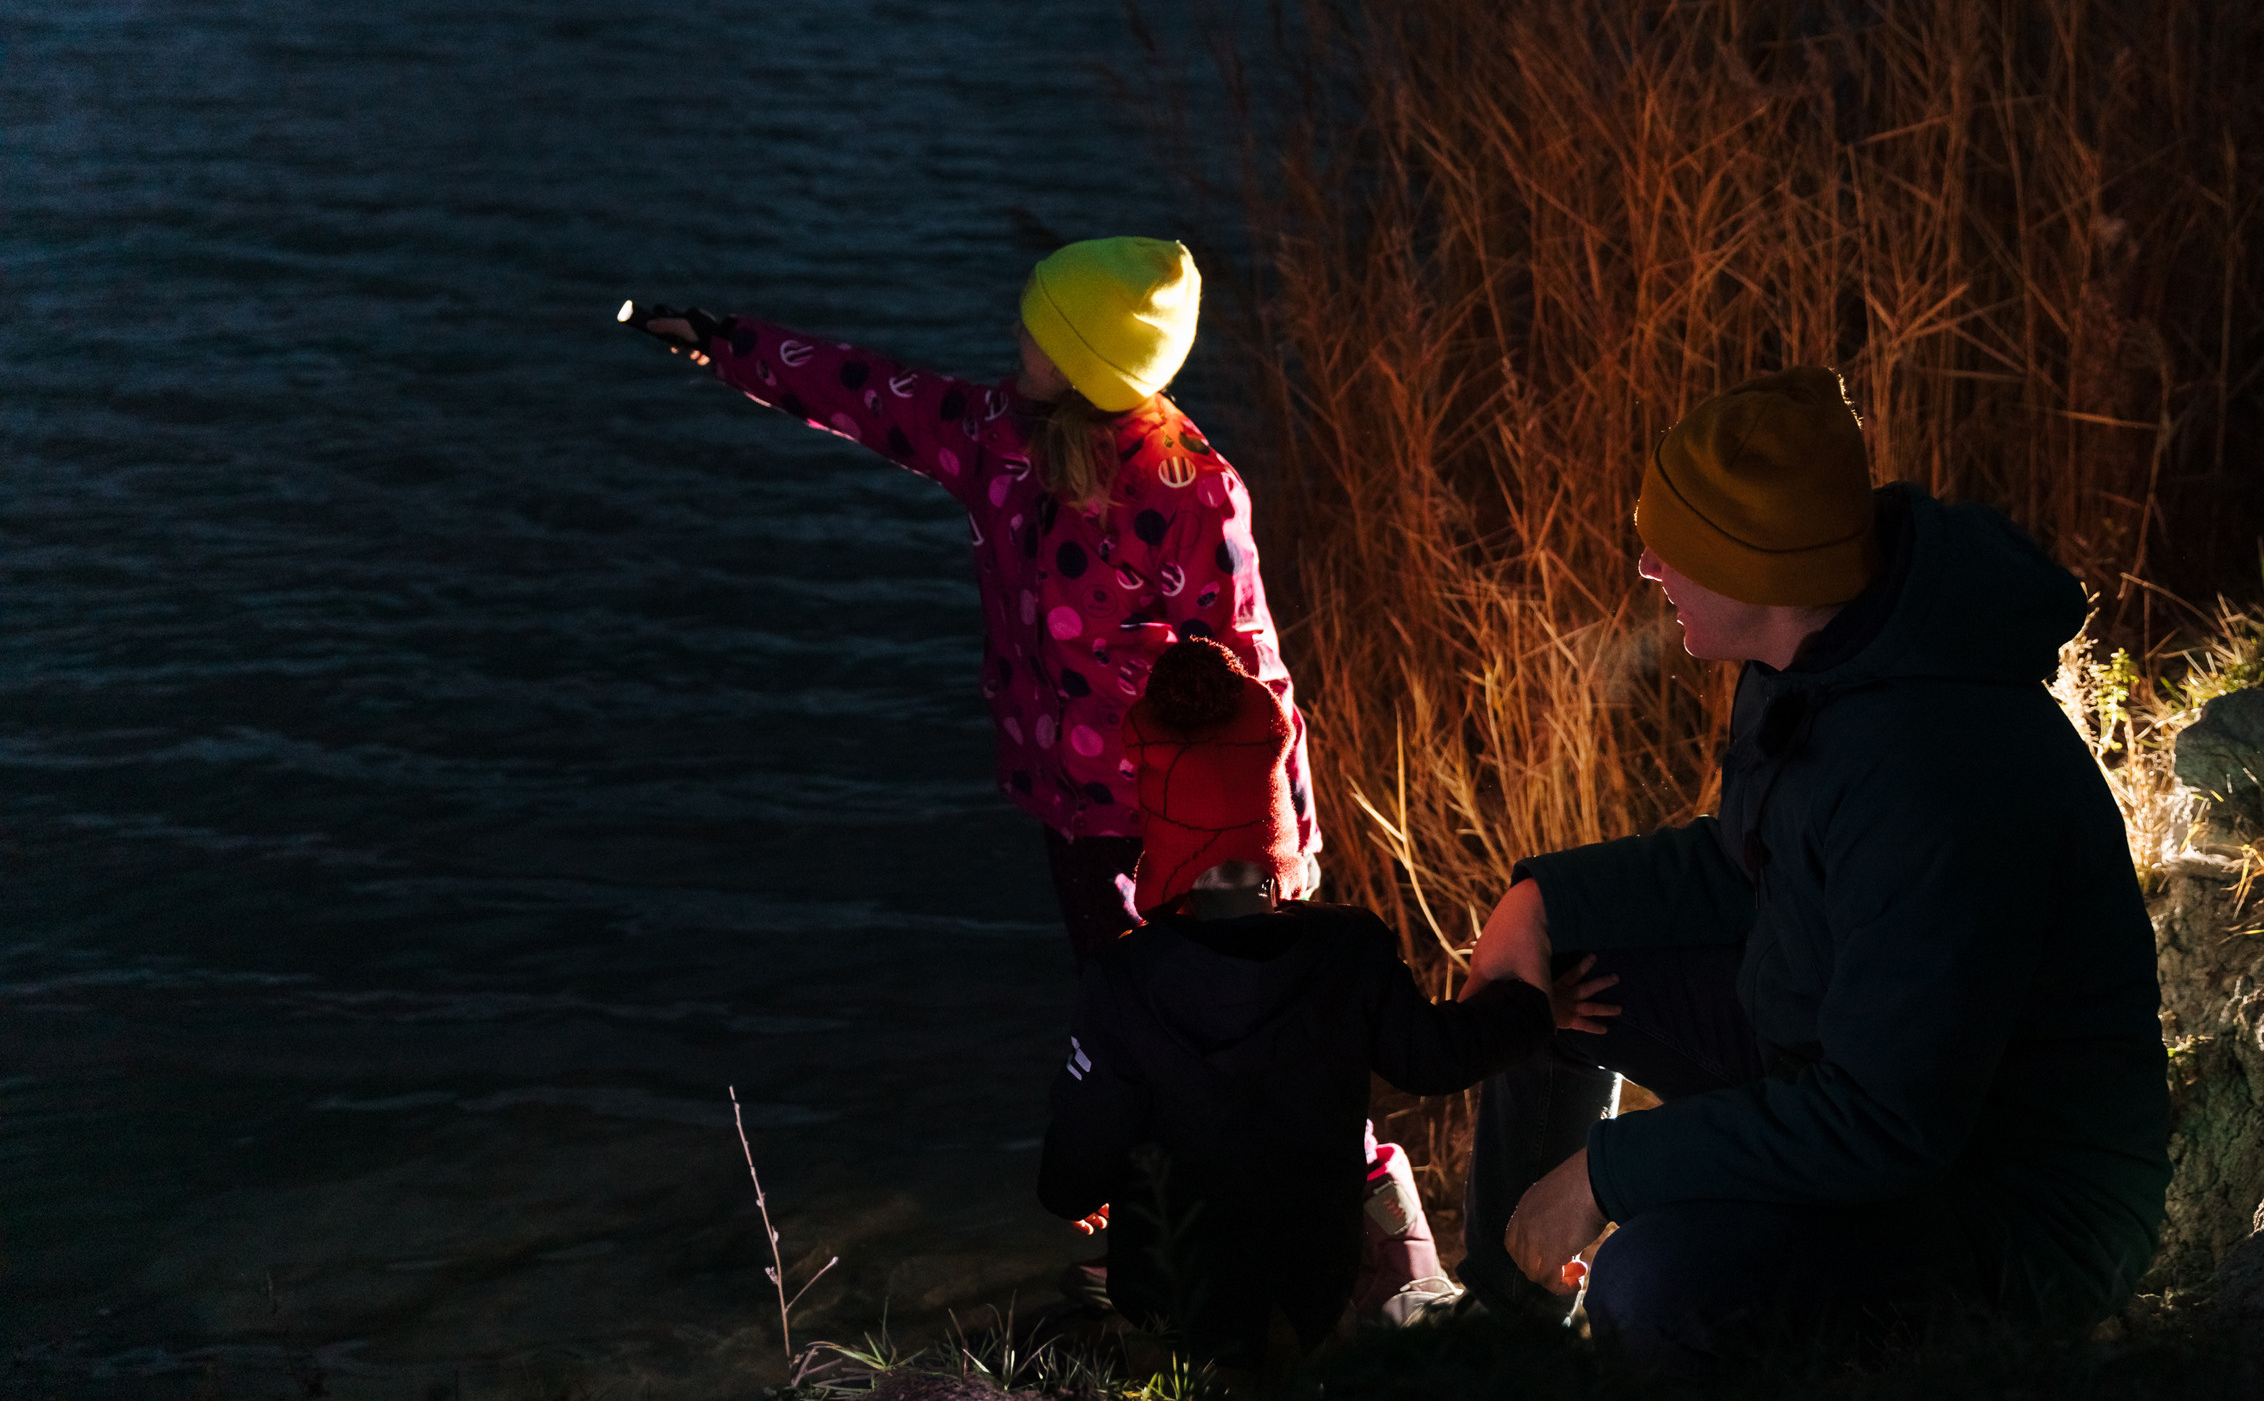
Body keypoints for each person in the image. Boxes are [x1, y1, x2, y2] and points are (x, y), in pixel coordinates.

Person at [1454, 367, 2171, 1376]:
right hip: (1844, 1062)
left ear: (1759, 573)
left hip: (2007, 1205)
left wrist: (1609, 1174)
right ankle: (1497, 1341)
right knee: (1553, 975)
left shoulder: (1931, 774)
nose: (1647, 565)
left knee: (1656, 1286)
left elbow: (1887, 1121)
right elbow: (1745, 865)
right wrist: (1544, 897)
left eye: (1677, 550)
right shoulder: (1821, 655)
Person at [621, 236, 1319, 961]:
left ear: (1085, 365)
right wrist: (726, 342)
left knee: (1169, 1011)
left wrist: (1291, 855)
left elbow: (1254, 677)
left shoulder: (1191, 494)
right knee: (1113, 1004)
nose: (1015, 334)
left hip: (1168, 818)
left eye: (1037, 329)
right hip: (1066, 802)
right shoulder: (1000, 436)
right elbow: (870, 393)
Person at [1038, 639, 1620, 1366]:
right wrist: (1539, 1010)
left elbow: (1077, 1152)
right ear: (1274, 824)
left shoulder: (1122, 978)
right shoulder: (1347, 947)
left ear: (1162, 822)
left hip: (1172, 1290)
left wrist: (1083, 1186)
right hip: (1313, 1284)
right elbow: (1436, 1057)